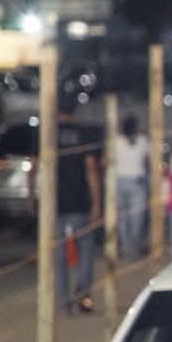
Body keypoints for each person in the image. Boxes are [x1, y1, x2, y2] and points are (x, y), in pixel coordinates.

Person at [54, 97, 103, 314]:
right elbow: (91, 167)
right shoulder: (84, 133)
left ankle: (63, 302)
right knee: (85, 252)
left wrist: (31, 196)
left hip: (55, 205)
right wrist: (97, 201)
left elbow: (36, 167)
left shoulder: (48, 135)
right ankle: (83, 295)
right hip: (80, 202)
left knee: (59, 257)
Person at [113, 114, 150, 260]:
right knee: (137, 218)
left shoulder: (116, 141)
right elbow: (148, 161)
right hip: (137, 181)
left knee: (123, 219)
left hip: (120, 181)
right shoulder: (142, 140)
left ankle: (127, 249)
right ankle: (133, 247)